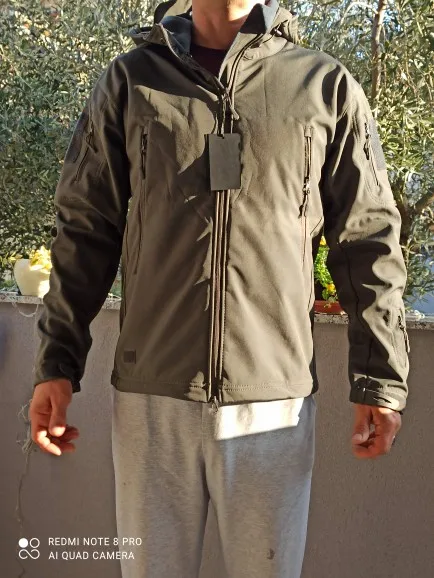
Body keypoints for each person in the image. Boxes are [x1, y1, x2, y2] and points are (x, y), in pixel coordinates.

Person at [29, 0, 410, 577]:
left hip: (273, 403)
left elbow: (368, 239)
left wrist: (380, 377)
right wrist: (56, 362)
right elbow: (85, 229)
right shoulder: (131, 81)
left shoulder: (323, 85)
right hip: (152, 398)